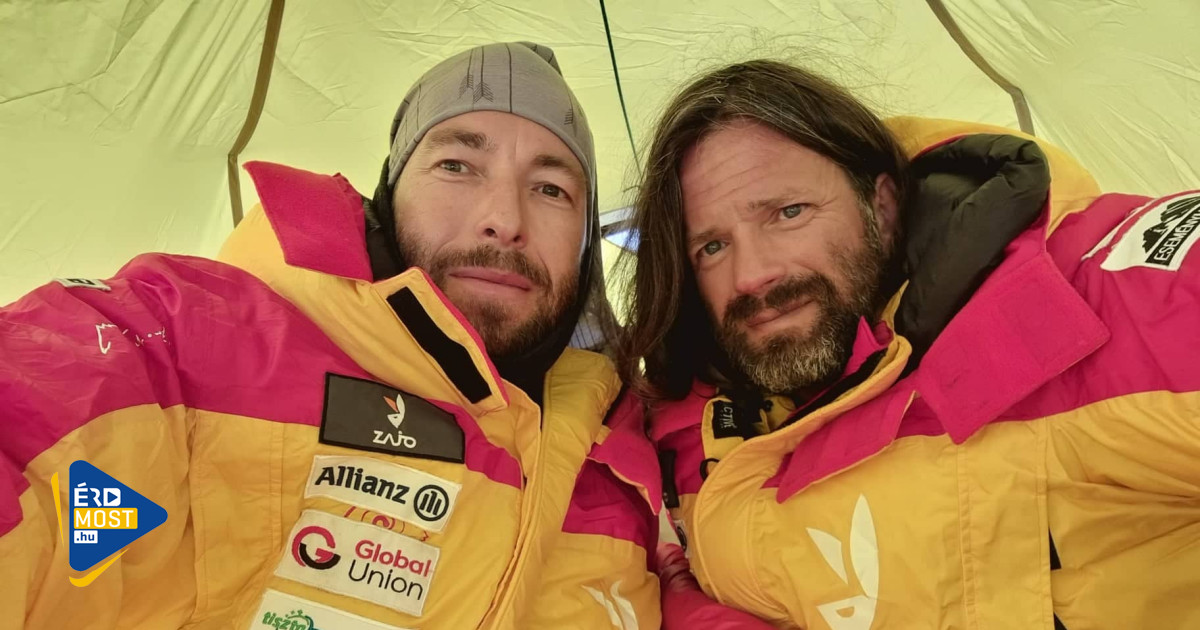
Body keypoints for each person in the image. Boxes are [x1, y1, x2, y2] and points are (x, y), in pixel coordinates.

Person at [0, 42, 664, 629]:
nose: (504, 219)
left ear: (584, 247)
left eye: (550, 188)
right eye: (458, 165)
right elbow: (39, 414)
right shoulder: (192, 336)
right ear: (389, 193)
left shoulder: (631, 446)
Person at [621, 59, 1200, 629]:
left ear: (883, 207)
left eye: (788, 213)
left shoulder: (1098, 291)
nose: (751, 275)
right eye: (712, 247)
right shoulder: (677, 414)